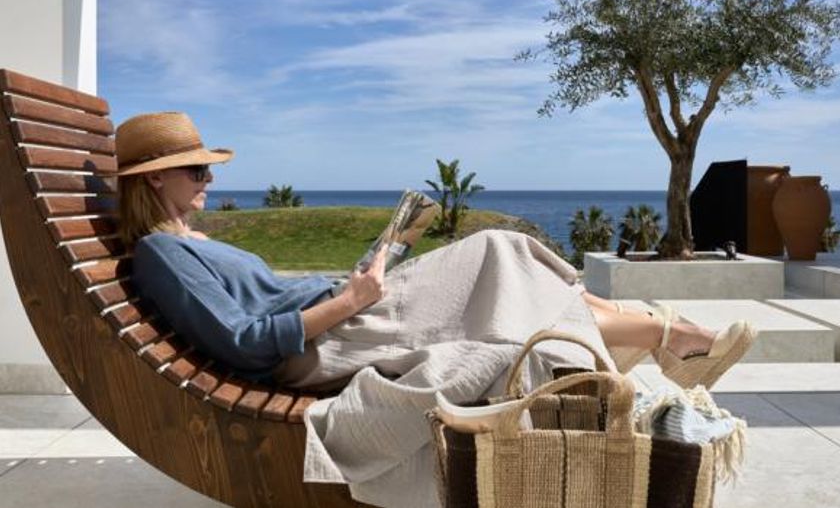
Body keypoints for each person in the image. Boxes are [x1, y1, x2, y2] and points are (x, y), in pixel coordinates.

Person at [117, 111, 756, 391]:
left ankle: (663, 333)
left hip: (340, 312)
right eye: (196, 170)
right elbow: (245, 342)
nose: (210, 178)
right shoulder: (160, 255)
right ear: (154, 180)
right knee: (500, 252)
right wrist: (349, 301)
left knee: (509, 258)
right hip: (324, 342)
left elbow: (264, 304)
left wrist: (357, 280)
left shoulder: (189, 241)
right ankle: (666, 334)